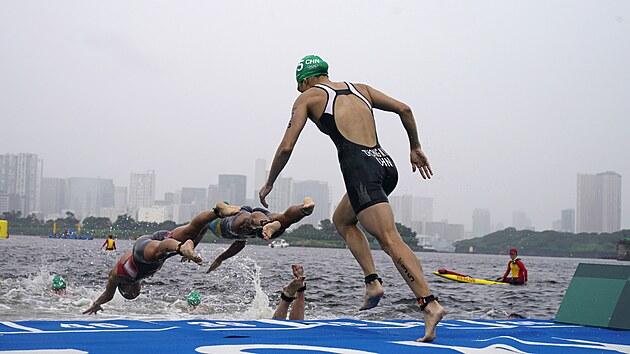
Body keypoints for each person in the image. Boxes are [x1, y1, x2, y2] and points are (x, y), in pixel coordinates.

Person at [259, 55, 444, 342]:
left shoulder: (309, 97)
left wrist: (269, 183)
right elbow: (404, 109)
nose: (300, 93)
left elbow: (286, 147)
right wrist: (415, 147)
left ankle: (429, 304)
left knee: (390, 239)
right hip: (385, 165)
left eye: (299, 87)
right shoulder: (362, 89)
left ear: (306, 80)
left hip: (361, 172)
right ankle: (373, 283)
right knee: (342, 220)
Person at [83, 202, 241, 314]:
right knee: (192, 230)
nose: (136, 292)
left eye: (132, 294)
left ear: (125, 288)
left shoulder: (118, 276)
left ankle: (182, 248)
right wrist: (97, 304)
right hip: (161, 241)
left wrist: (96, 303)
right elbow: (108, 297)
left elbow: (108, 294)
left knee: (159, 252)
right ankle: (217, 212)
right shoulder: (130, 278)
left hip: (142, 251)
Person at [205, 197, 315, 273]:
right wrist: (220, 259)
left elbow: (196, 230)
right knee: (284, 219)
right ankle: (305, 208)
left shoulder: (212, 221)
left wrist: (220, 259)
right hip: (258, 225)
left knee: (248, 221)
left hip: (240, 222)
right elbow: (239, 244)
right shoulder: (241, 236)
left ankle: (266, 224)